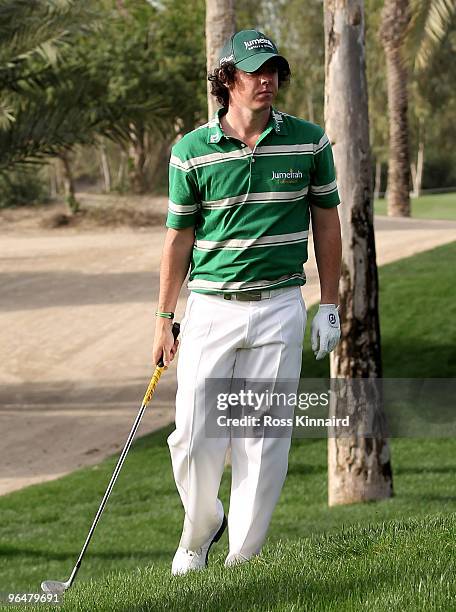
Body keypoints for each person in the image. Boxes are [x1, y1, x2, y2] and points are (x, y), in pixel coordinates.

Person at [152, 29, 342, 576]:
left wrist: (328, 303)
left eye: (273, 70)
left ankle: (243, 560)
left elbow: (326, 222)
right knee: (192, 433)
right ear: (226, 79)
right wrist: (165, 318)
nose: (267, 80)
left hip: (281, 304)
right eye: (255, 71)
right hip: (212, 306)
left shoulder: (309, 142)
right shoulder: (191, 151)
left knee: (263, 439)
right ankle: (201, 525)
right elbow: (178, 238)